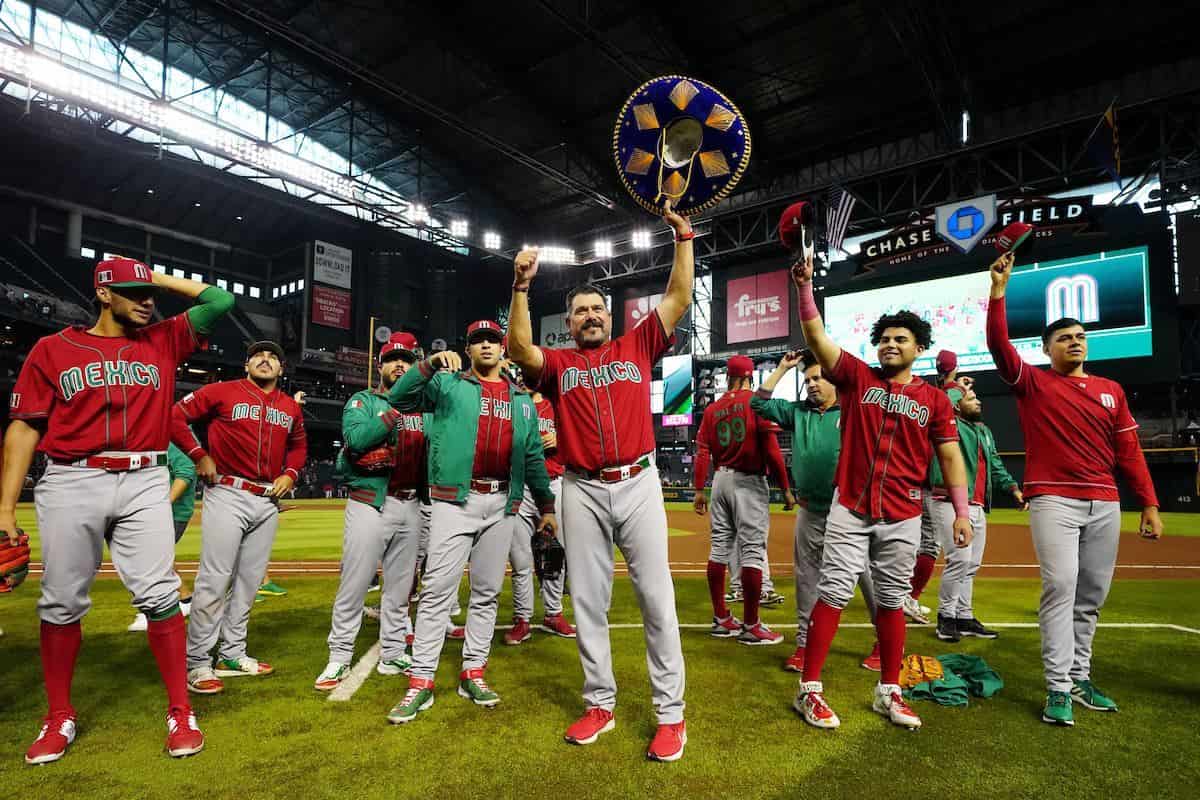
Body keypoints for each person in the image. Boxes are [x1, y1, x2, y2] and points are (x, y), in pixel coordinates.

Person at [1, 257, 233, 764]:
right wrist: (4, 511)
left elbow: (222, 301)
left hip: (145, 477)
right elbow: (24, 428)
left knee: (159, 593)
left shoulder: (165, 339)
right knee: (61, 601)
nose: (146, 300)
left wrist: (153, 277)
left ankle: (180, 709)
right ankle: (59, 715)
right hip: (71, 477)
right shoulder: (52, 349)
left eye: (148, 292)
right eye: (132, 291)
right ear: (104, 294)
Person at [506, 202, 693, 761]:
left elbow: (679, 296)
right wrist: (520, 287)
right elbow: (518, 348)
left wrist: (682, 235)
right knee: (588, 600)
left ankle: (671, 715)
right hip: (581, 487)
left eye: (597, 309)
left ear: (609, 317)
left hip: (638, 481)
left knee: (656, 598)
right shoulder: (560, 364)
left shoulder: (636, 344)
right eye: (580, 311)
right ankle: (600, 704)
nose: (590, 316)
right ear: (569, 321)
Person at [788, 252, 971, 731]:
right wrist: (805, 289)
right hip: (849, 505)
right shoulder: (856, 377)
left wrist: (960, 511)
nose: (891, 344)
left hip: (904, 512)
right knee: (833, 591)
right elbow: (817, 339)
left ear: (919, 347)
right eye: (885, 338)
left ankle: (889, 689)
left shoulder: (933, 400)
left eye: (901, 339)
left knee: (891, 601)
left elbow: (950, 457)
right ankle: (809, 690)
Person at [986, 250, 1162, 726]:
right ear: (1048, 349)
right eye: (1064, 338)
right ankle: (1058, 687)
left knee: (1091, 596)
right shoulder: (1033, 384)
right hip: (1054, 499)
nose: (1075, 342)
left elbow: (1129, 451)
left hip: (1105, 502)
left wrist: (1147, 503)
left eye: (1081, 336)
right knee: (1061, 585)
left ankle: (1080, 679)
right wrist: (999, 291)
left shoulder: (1111, 390)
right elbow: (1000, 348)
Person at [385, 320, 556, 723]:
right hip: (453, 500)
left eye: (493, 340)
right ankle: (421, 680)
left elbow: (532, 456)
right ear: (468, 348)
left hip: (503, 503)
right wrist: (427, 365)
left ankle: (473, 670)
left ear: (503, 349)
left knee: (486, 592)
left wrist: (546, 504)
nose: (486, 346)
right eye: (478, 340)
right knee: (438, 589)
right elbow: (398, 396)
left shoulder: (521, 399)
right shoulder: (448, 386)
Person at [171, 341, 307, 694]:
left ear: (281, 369)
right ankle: (198, 662)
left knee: (248, 584)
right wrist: (199, 455)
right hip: (228, 492)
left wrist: (291, 473)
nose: (266, 359)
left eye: (274, 357)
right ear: (247, 364)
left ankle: (231, 652)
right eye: (258, 355)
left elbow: (298, 445)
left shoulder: (290, 407)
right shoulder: (222, 391)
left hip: (267, 500)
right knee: (215, 580)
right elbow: (175, 416)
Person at [752, 349, 882, 673]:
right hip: (810, 510)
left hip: (851, 510)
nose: (812, 384)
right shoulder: (797, 412)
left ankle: (885, 642)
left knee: (869, 578)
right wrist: (783, 368)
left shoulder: (853, 407)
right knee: (806, 578)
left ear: (835, 380)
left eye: (818, 378)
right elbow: (759, 404)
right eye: (807, 379)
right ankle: (803, 645)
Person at [315, 333, 427, 691]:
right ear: (380, 366)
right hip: (369, 501)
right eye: (393, 359)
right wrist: (393, 411)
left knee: (399, 590)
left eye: (407, 360)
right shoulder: (361, 401)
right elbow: (358, 440)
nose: (400, 365)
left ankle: (393, 651)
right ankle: (339, 657)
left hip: (411, 504)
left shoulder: (425, 407)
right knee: (356, 583)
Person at [693, 355, 792, 646]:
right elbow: (772, 450)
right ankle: (751, 625)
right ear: (750, 376)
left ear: (727, 377)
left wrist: (700, 489)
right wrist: (785, 487)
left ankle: (722, 619)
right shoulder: (756, 402)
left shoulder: (712, 409)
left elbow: (702, 452)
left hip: (720, 480)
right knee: (751, 551)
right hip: (748, 482)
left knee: (720, 548)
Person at [926, 387, 1025, 642]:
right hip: (949, 500)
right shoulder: (948, 428)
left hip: (978, 504)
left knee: (971, 565)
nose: (978, 400)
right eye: (971, 398)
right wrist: (952, 386)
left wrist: (1012, 487)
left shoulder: (984, 431)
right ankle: (946, 618)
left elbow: (995, 464)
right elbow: (940, 408)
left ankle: (964, 617)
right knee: (959, 560)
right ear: (956, 406)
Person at [504, 361, 576, 644]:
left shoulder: (555, 405)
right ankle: (522, 619)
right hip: (520, 486)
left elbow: (577, 438)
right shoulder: (512, 405)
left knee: (553, 555)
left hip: (553, 484)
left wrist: (560, 438)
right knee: (520, 558)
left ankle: (553, 613)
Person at [128, 442, 196, 632]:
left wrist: (162, 504)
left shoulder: (167, 440)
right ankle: (185, 599)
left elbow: (186, 470)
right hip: (164, 512)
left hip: (171, 513)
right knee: (158, 559)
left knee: (146, 560)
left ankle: (150, 612)